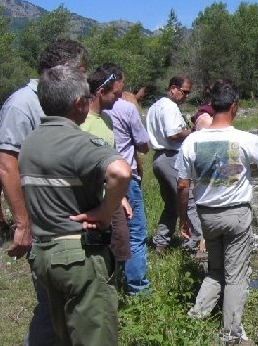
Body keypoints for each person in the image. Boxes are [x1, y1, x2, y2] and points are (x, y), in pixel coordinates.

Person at [19, 64, 131, 346]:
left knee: (65, 340)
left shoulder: (31, 142)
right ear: (80, 104)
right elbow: (120, 171)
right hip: (80, 256)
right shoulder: (77, 141)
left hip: (46, 254)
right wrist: (104, 211)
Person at [0, 38, 89, 346]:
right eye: (82, 69)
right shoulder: (23, 104)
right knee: (48, 304)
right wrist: (23, 223)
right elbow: (6, 165)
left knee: (64, 305)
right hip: (43, 224)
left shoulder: (57, 101)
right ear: (64, 68)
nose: (86, 77)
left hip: (68, 223)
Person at [176, 79, 258, 346]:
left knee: (216, 269)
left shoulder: (192, 142)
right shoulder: (245, 139)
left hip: (207, 215)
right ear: (234, 106)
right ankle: (232, 337)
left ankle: (193, 320)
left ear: (212, 106)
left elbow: (182, 185)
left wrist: (184, 218)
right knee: (236, 276)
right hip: (236, 216)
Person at [82, 65, 132, 276]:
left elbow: (112, 158)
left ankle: (115, 289)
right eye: (116, 94)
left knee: (120, 244)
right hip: (91, 197)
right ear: (101, 92)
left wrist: (121, 196)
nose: (118, 99)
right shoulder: (82, 123)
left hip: (111, 194)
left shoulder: (107, 120)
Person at [106, 75, 152, 295]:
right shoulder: (126, 108)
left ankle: (110, 283)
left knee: (108, 231)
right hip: (126, 177)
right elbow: (143, 147)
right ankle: (138, 288)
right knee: (135, 233)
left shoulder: (89, 111)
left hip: (101, 178)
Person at [145, 75, 201, 254]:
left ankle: (160, 243)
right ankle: (196, 243)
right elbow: (172, 134)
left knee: (171, 205)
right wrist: (193, 131)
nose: (186, 96)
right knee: (189, 199)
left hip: (159, 159)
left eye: (188, 93)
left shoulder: (155, 106)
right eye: (184, 92)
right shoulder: (169, 107)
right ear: (173, 89)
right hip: (170, 157)